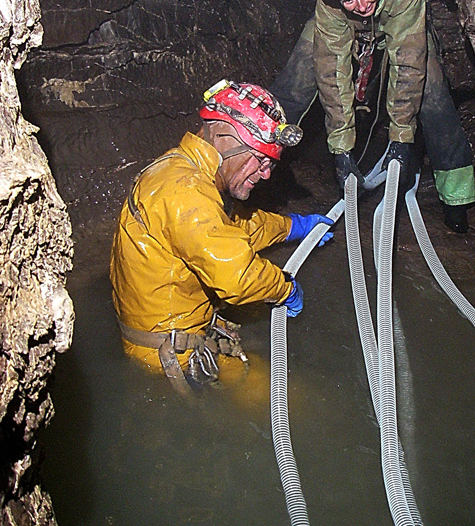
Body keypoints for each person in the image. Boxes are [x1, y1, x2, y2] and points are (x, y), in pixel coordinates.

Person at [110, 79, 333, 386]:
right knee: (297, 401)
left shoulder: (183, 171)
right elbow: (237, 277)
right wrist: (286, 289)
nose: (267, 173)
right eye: (261, 160)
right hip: (171, 359)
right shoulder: (185, 191)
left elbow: (229, 231)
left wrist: (293, 226)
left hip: (179, 332)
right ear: (226, 138)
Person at [270, 0, 475, 232]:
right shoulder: (330, 7)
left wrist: (401, 137)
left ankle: (457, 195)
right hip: (350, 31)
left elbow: (408, 63)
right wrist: (340, 147)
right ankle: (261, 162)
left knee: (431, 91)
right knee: (297, 77)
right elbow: (333, 72)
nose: (362, 4)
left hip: (402, 23)